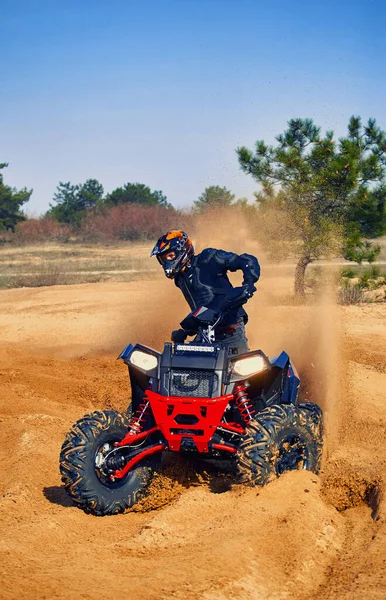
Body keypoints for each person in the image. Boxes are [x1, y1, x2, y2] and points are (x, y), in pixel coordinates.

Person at [151, 230, 260, 355]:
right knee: (183, 364)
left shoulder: (208, 258)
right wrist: (187, 331)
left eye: (170, 256)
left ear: (182, 250)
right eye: (163, 259)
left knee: (241, 371)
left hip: (231, 330)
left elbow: (247, 261)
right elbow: (204, 309)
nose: (166, 262)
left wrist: (249, 285)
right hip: (204, 332)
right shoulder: (180, 279)